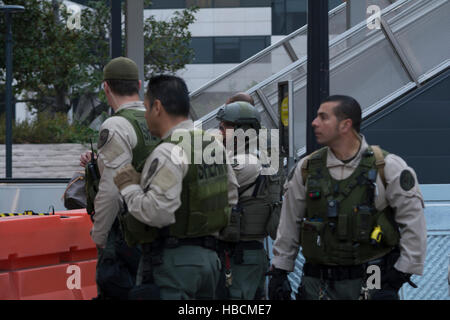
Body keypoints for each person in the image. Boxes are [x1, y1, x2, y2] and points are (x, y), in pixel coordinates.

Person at [268, 95, 427, 300]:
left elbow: (413, 225)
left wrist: (398, 276)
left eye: (323, 117)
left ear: (345, 125)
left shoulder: (387, 167)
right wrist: (279, 271)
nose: (314, 123)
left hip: (372, 274)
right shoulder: (306, 168)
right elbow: (289, 224)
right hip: (317, 280)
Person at [112, 75, 239, 300]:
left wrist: (129, 187)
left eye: (147, 107)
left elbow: (157, 212)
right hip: (211, 262)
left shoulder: (168, 151)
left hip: (173, 263)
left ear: (157, 107)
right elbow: (230, 195)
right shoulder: (212, 145)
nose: (146, 114)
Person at [80, 57, 159, 299]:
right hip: (162, 231)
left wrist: (100, 236)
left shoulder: (116, 125)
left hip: (126, 236)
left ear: (106, 87)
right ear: (138, 84)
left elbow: (112, 189)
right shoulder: (158, 120)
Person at [215, 100, 282, 300]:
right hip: (250, 252)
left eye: (223, 127)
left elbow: (211, 185)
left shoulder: (245, 163)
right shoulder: (260, 156)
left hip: (240, 254)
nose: (219, 131)